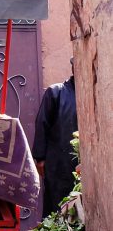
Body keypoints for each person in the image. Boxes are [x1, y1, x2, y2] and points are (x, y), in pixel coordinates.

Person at [33, 63, 78, 218]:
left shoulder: (92, 93)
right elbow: (42, 124)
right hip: (58, 162)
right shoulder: (56, 92)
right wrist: (40, 158)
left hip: (83, 163)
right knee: (56, 204)